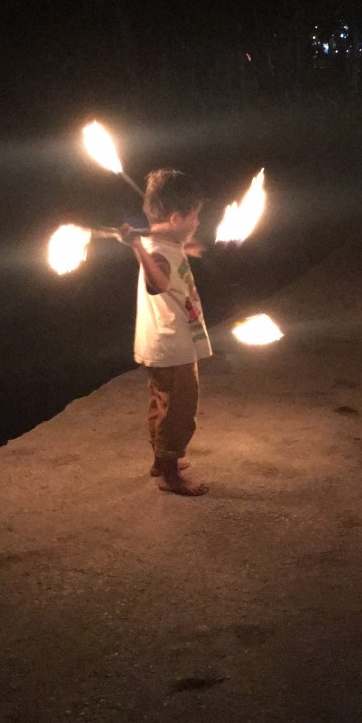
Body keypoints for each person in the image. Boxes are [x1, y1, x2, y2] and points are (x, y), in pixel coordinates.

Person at [119, 169, 212, 496]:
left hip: (162, 345)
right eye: (195, 217)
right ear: (176, 218)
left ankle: (161, 460)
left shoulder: (160, 243)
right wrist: (139, 251)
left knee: (162, 403)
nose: (198, 222)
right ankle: (169, 475)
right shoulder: (154, 251)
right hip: (172, 346)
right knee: (180, 410)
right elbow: (157, 282)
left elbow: (163, 258)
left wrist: (181, 249)